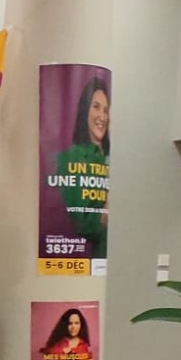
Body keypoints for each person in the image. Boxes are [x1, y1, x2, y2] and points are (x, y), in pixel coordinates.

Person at [55, 77, 110, 259]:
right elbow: (85, 225)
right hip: (84, 262)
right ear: (84, 110)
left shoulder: (111, 157)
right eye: (96, 107)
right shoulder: (72, 157)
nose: (102, 116)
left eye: (106, 110)